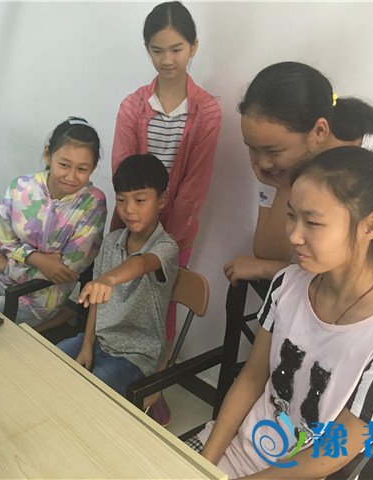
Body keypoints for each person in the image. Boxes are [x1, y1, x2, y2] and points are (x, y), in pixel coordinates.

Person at [191, 146, 373, 479]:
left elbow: (337, 450)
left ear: (371, 226)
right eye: (291, 215)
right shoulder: (286, 284)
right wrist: (203, 463)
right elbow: (253, 377)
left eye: (313, 222)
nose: (294, 235)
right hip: (236, 452)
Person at [224, 61, 373, 345]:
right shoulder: (279, 163)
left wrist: (271, 271)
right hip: (325, 286)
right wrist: (285, 186)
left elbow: (372, 281)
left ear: (319, 131)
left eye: (272, 151)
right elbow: (269, 251)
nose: (261, 163)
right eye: (252, 149)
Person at [111, 0, 221, 424]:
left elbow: (194, 186)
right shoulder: (132, 105)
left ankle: (152, 386)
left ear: (193, 47)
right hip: (130, 221)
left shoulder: (206, 110)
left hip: (175, 232)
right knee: (121, 299)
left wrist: (160, 243)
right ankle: (118, 371)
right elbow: (123, 170)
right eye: (157, 50)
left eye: (176, 49)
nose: (167, 59)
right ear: (147, 50)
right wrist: (135, 227)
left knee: (162, 309)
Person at [57, 154, 179, 396]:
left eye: (140, 200)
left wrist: (108, 279)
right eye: (121, 200)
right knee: (50, 359)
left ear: (162, 200)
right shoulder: (111, 241)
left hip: (135, 356)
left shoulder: (166, 247)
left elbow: (142, 263)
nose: (129, 210)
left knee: (88, 392)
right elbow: (96, 304)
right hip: (99, 342)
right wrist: (87, 345)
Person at [0, 117, 107, 332]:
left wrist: (8, 265)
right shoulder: (20, 188)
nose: (71, 177)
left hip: (38, 299)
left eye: (82, 169)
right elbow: (2, 243)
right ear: (48, 154)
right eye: (64, 165)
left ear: (93, 167)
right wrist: (37, 259)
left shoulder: (92, 203)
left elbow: (65, 271)